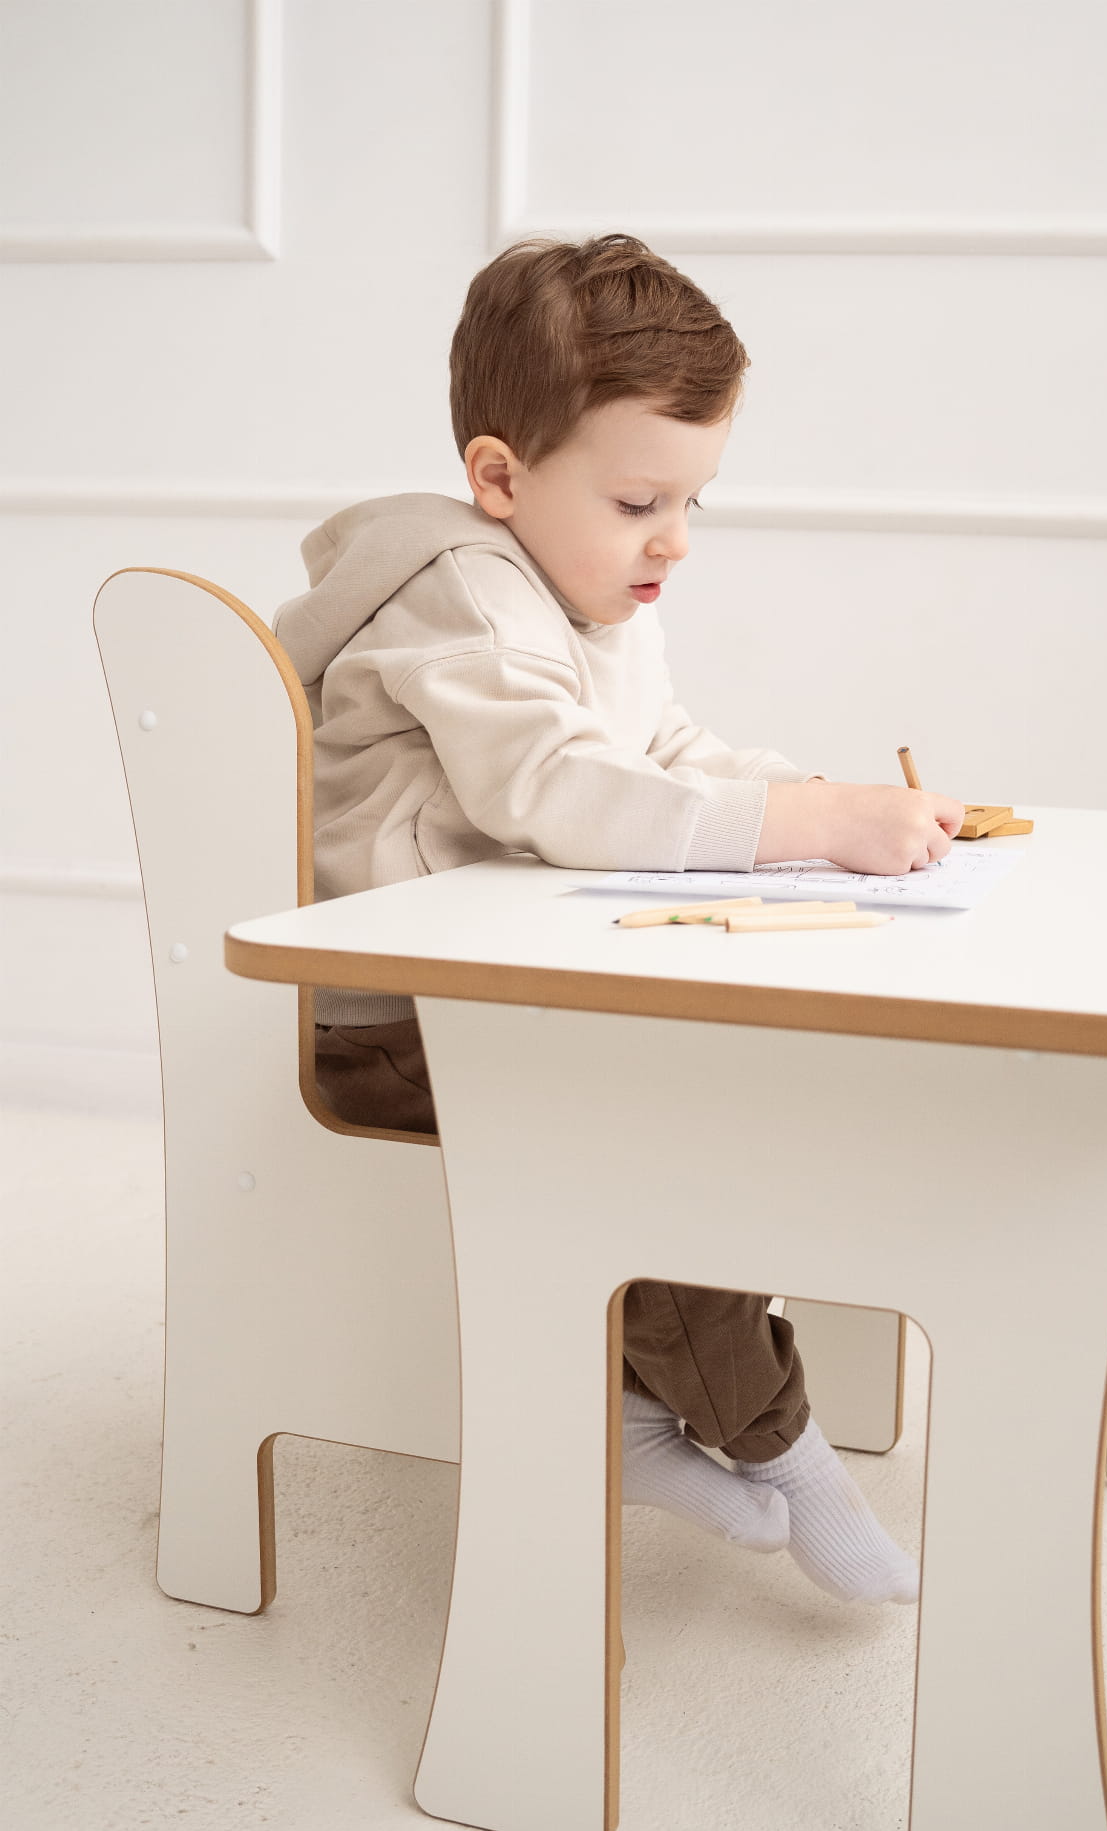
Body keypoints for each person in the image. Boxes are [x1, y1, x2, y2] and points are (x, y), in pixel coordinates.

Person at [272, 234, 963, 1606]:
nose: (675, 539)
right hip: (393, 1025)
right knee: (658, 1143)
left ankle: (645, 1420)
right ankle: (787, 1454)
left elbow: (663, 750)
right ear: (500, 477)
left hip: (497, 997)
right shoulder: (465, 601)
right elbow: (565, 791)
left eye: (694, 500)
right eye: (641, 500)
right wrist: (812, 825)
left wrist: (817, 803)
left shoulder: (589, 587)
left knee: (723, 1096)